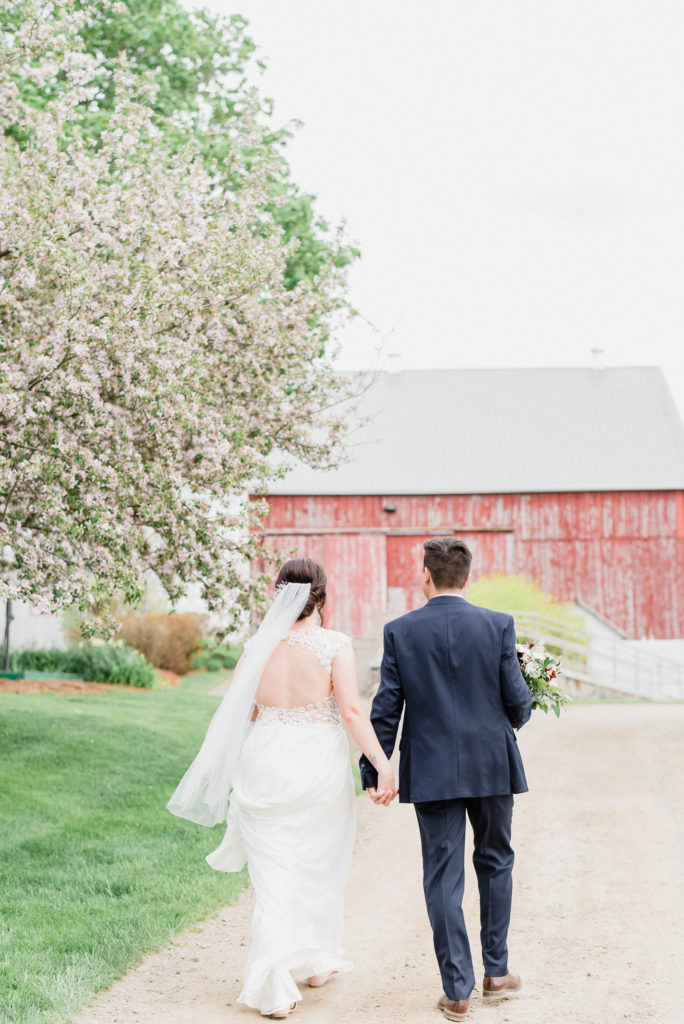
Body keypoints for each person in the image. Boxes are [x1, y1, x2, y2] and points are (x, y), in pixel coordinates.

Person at [168, 557, 396, 1019]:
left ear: (279, 595)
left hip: (264, 762)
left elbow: (243, 711)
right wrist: (382, 763)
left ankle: (313, 960)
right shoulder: (335, 645)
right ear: (323, 597)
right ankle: (273, 981)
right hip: (316, 766)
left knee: (275, 875)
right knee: (318, 863)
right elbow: (352, 713)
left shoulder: (257, 646)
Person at [360, 537, 533, 1022]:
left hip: (432, 766)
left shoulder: (400, 632)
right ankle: (496, 973)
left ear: (426, 576)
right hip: (493, 764)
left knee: (442, 875)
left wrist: (375, 769)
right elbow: (517, 701)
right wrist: (514, 713)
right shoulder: (498, 625)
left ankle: (457, 988)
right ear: (467, 577)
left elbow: (387, 706)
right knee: (496, 861)